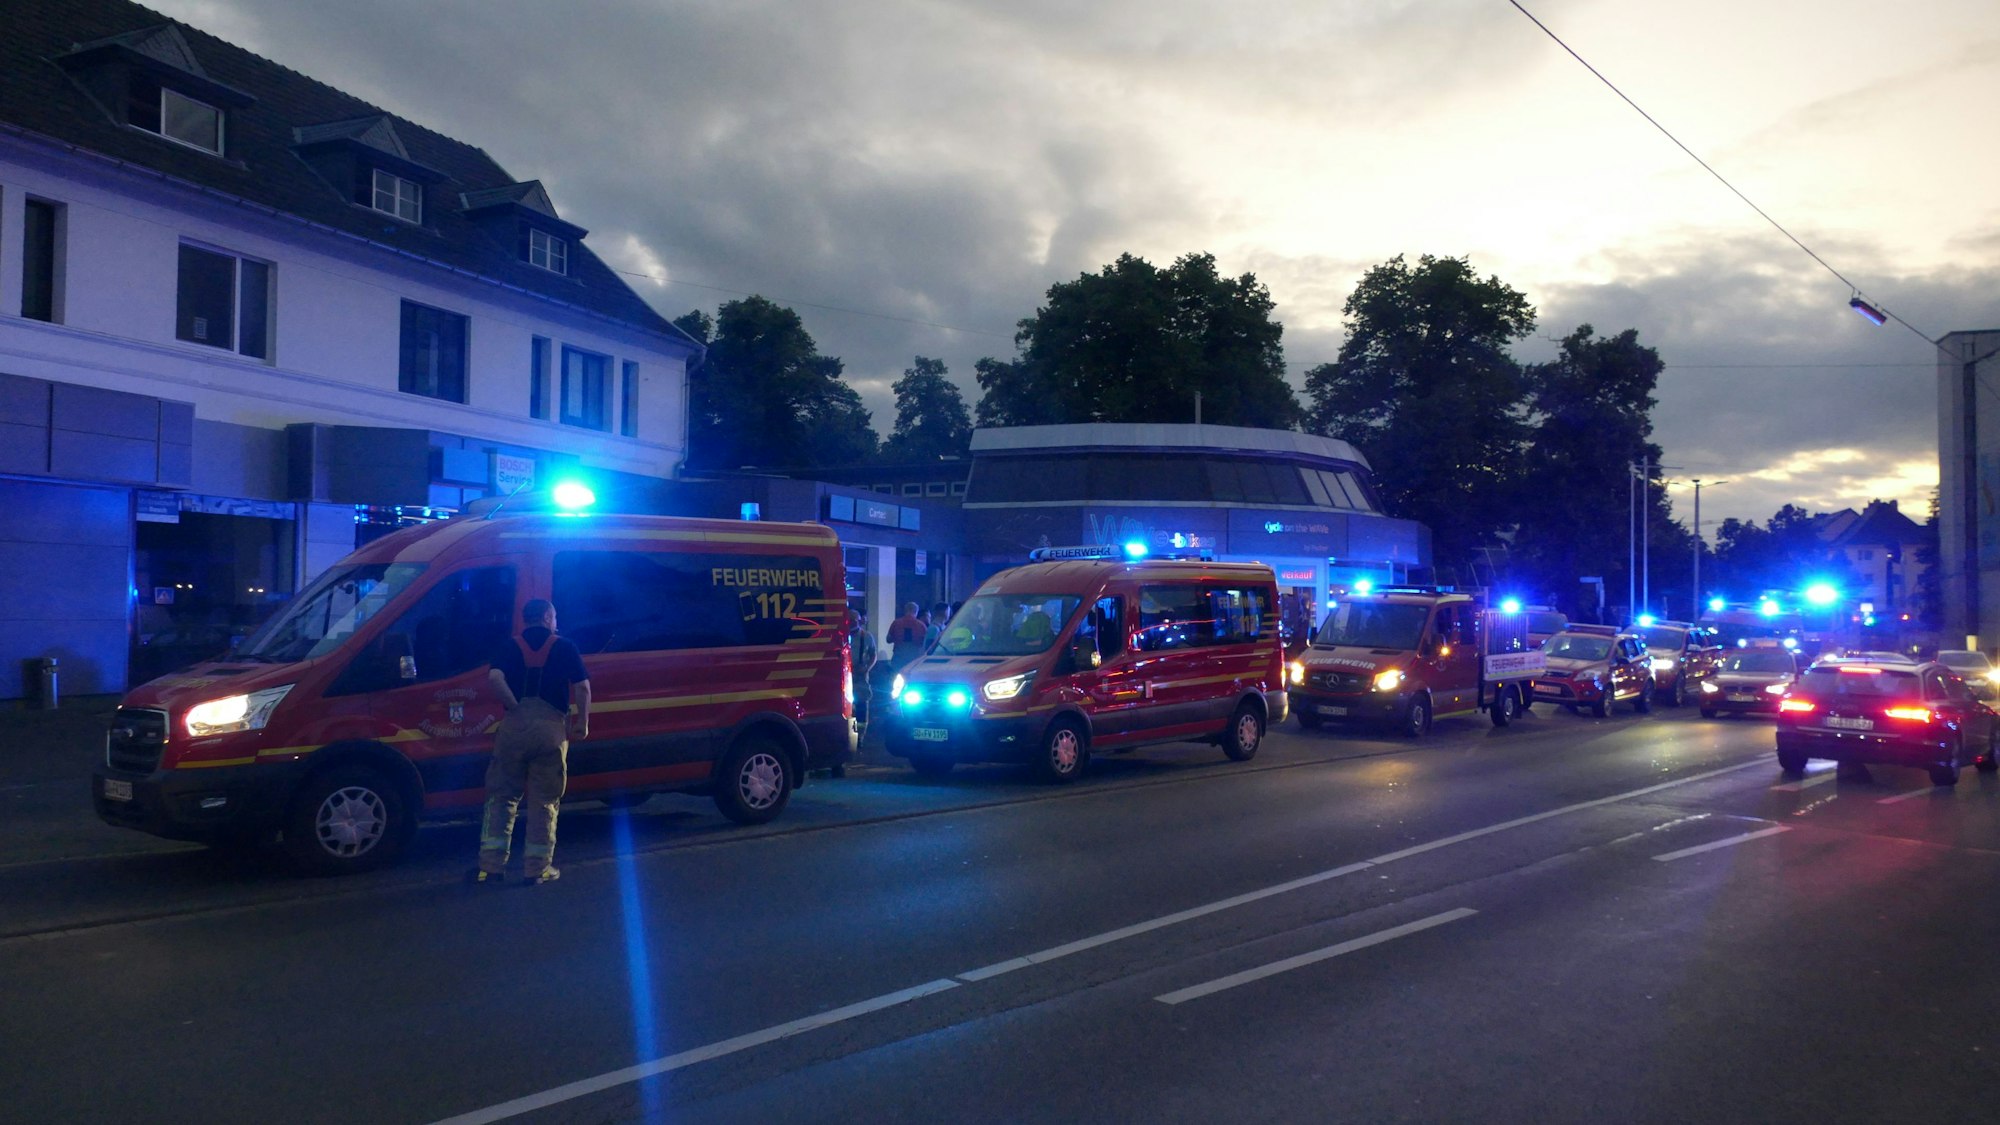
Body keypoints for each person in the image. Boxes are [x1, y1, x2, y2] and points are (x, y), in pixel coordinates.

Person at [473, 599, 590, 885]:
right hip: (550, 729)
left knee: (501, 797)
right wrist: (582, 724)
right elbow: (583, 688)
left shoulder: (509, 646)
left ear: (526, 619)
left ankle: (490, 867)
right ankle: (537, 869)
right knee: (544, 801)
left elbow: (495, 677)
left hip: (513, 728)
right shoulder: (565, 647)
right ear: (549, 617)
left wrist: (513, 705)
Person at [887, 601, 927, 669]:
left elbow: (888, 639)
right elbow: (925, 643)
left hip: (898, 657)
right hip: (914, 659)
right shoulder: (921, 625)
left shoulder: (896, 623)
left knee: (896, 677)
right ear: (916, 611)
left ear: (905, 610)